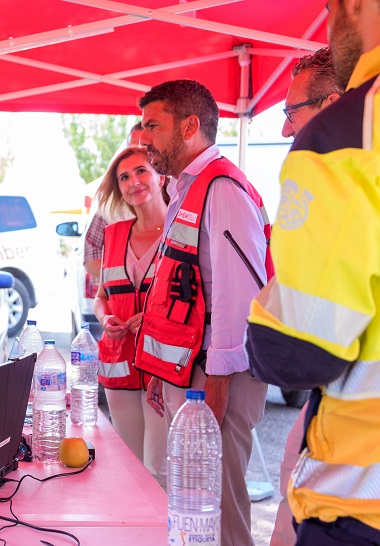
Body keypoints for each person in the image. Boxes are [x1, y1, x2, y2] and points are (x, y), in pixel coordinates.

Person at [246, 1, 380, 543]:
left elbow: (294, 351)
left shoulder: (348, 133)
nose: (284, 124)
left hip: (360, 498)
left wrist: (264, 316)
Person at [136, 79, 272, 546]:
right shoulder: (185, 190)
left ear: (190, 126)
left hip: (219, 381)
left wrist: (215, 390)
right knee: (194, 510)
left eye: (153, 125)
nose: (142, 137)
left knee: (221, 512)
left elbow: (240, 302)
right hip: (191, 376)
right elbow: (178, 289)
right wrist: (161, 369)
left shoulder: (224, 190)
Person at [269, 47, 343, 546]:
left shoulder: (343, 196)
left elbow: (288, 351)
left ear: (332, 105)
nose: (284, 130)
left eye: (290, 111)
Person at [92, 146, 168, 489]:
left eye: (141, 171)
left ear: (160, 176)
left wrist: (151, 317)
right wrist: (105, 318)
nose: (133, 182)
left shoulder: (179, 229)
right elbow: (101, 298)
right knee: (128, 469)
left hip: (162, 366)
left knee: (159, 468)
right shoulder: (114, 234)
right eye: (124, 177)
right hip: (117, 363)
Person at [83, 122, 144, 279]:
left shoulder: (178, 198)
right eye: (131, 149)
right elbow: (91, 258)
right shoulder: (111, 206)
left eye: (143, 148)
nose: (136, 155)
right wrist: (128, 280)